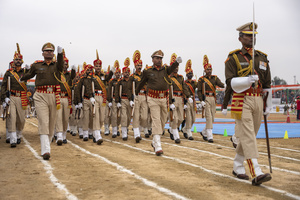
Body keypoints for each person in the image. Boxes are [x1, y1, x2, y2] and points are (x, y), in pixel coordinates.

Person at [225, 22, 272, 185]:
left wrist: (268, 104)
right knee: (248, 135)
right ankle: (256, 171)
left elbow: (267, 84)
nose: (251, 38)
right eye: (248, 35)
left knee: (250, 135)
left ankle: (238, 165)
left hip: (258, 99)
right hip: (241, 99)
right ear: (240, 38)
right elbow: (230, 83)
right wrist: (246, 80)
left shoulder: (262, 57)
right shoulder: (234, 57)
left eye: (253, 36)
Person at [21, 42, 64, 160]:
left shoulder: (57, 65)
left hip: (54, 95)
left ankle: (47, 145)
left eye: (51, 51)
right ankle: (46, 150)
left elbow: (61, 66)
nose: (49, 52)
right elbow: (29, 75)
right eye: (47, 50)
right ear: (43, 53)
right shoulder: (37, 65)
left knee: (51, 124)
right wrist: (22, 76)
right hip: (40, 95)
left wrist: (60, 54)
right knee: (44, 122)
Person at [135, 50, 182, 156]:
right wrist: (136, 93)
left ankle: (154, 141)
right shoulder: (147, 71)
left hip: (163, 98)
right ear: (152, 59)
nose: (159, 60)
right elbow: (141, 82)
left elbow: (171, 68)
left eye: (161, 58)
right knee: (156, 120)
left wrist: (177, 63)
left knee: (162, 120)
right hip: (152, 98)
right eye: (157, 58)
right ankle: (157, 144)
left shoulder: (165, 70)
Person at [1, 43, 29, 147]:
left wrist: (29, 70)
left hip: (22, 97)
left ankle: (18, 135)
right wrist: (4, 98)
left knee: (21, 119)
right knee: (11, 117)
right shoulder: (8, 73)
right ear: (13, 61)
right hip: (11, 97)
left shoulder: (25, 72)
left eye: (19, 60)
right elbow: (3, 86)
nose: (18, 61)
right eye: (16, 60)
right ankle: (12, 138)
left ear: (22, 61)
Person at [197, 55, 224, 143]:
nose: (209, 71)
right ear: (204, 70)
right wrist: (201, 101)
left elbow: (221, 84)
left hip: (213, 98)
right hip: (206, 98)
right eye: (207, 69)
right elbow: (199, 91)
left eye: (210, 69)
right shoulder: (201, 79)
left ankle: (204, 132)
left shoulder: (214, 78)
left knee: (212, 118)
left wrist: (228, 84)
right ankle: (209, 136)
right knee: (208, 117)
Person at [54, 49, 76, 145]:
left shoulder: (68, 75)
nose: (64, 65)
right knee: (58, 117)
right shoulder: (57, 73)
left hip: (67, 98)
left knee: (65, 118)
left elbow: (73, 76)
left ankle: (63, 135)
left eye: (66, 64)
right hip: (58, 97)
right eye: (63, 64)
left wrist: (74, 70)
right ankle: (58, 135)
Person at [168, 53, 190, 144]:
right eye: (175, 66)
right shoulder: (169, 78)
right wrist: (170, 102)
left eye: (177, 67)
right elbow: (168, 90)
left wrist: (188, 96)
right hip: (173, 98)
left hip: (180, 98)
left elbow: (184, 87)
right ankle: (176, 136)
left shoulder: (181, 78)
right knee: (175, 118)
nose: (176, 68)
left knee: (181, 118)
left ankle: (172, 129)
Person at [130, 50, 148, 142]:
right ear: (135, 66)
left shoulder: (145, 76)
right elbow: (130, 88)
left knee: (144, 117)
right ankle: (137, 134)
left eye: (140, 65)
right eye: (138, 65)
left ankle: (139, 131)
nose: (139, 67)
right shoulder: (132, 77)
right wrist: (131, 99)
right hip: (136, 96)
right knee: (136, 116)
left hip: (144, 96)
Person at [115, 58, 133, 141]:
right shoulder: (120, 82)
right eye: (125, 72)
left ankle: (126, 127)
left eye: (128, 72)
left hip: (129, 100)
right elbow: (117, 92)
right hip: (122, 99)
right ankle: (124, 132)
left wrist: (132, 99)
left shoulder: (131, 81)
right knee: (124, 116)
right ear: (123, 73)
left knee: (129, 117)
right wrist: (117, 101)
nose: (127, 73)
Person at [182, 59, 198, 140]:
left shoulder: (194, 83)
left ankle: (184, 129)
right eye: (189, 73)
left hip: (193, 101)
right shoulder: (184, 83)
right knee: (188, 117)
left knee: (193, 118)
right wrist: (186, 100)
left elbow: (198, 86)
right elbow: (184, 91)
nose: (190, 75)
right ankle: (189, 132)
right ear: (186, 74)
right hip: (187, 100)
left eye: (191, 73)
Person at [107, 61, 122, 138]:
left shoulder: (122, 81)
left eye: (119, 73)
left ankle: (118, 128)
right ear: (114, 74)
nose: (118, 74)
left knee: (120, 116)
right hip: (113, 100)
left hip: (121, 101)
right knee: (113, 116)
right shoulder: (112, 81)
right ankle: (114, 131)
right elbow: (109, 91)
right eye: (117, 73)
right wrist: (109, 100)